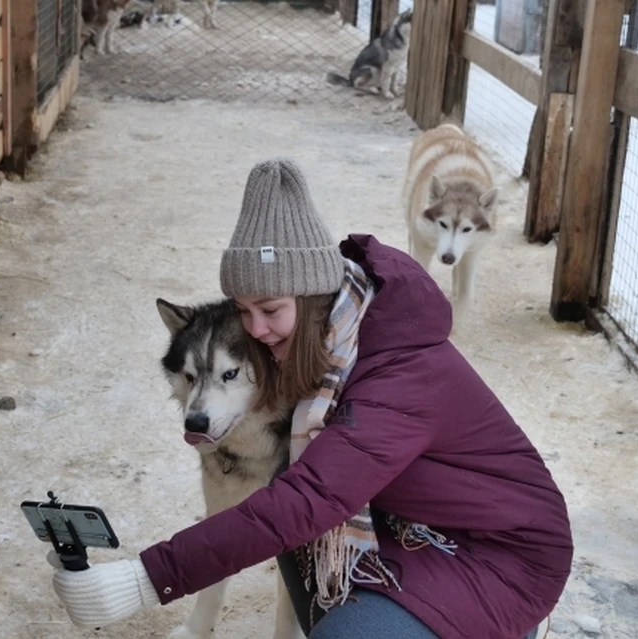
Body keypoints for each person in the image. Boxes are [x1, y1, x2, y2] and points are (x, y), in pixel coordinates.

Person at [45, 158, 574, 638]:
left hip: (502, 558)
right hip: (411, 528)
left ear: (312, 294)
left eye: (271, 310)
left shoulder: (398, 371)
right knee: (304, 538)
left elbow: (306, 501)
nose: (257, 329)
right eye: (244, 311)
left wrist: (145, 578)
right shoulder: (318, 349)